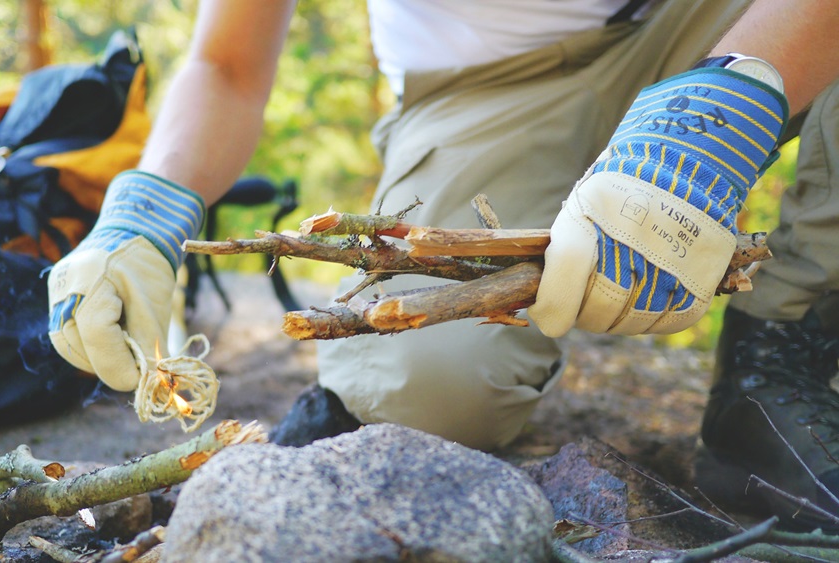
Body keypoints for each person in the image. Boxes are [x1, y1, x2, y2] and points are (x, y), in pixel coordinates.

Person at [47, 0, 839, 531]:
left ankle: (782, 347)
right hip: (484, 90)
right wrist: (146, 208)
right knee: (421, 386)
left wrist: (732, 99)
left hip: (728, 21)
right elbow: (226, 63)